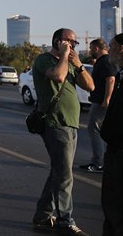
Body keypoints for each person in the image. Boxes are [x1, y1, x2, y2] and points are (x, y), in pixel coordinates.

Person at [31, 28, 94, 236]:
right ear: (57, 41)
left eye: (75, 43)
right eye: (69, 42)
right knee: (65, 174)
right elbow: (58, 77)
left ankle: (42, 214)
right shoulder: (44, 60)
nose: (73, 45)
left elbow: (91, 86)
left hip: (71, 123)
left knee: (59, 170)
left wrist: (79, 65)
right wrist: (65, 56)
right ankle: (65, 220)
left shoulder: (71, 62)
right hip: (55, 122)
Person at [79, 38, 116, 173]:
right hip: (99, 101)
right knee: (99, 130)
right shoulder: (102, 61)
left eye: (90, 48)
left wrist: (107, 100)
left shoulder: (106, 61)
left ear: (96, 48)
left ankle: (98, 162)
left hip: (101, 102)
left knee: (93, 129)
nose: (89, 51)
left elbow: (111, 80)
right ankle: (101, 161)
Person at [100, 33, 123, 236]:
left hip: (119, 149)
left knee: (114, 201)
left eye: (112, 46)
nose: (109, 50)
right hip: (115, 146)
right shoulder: (121, 73)